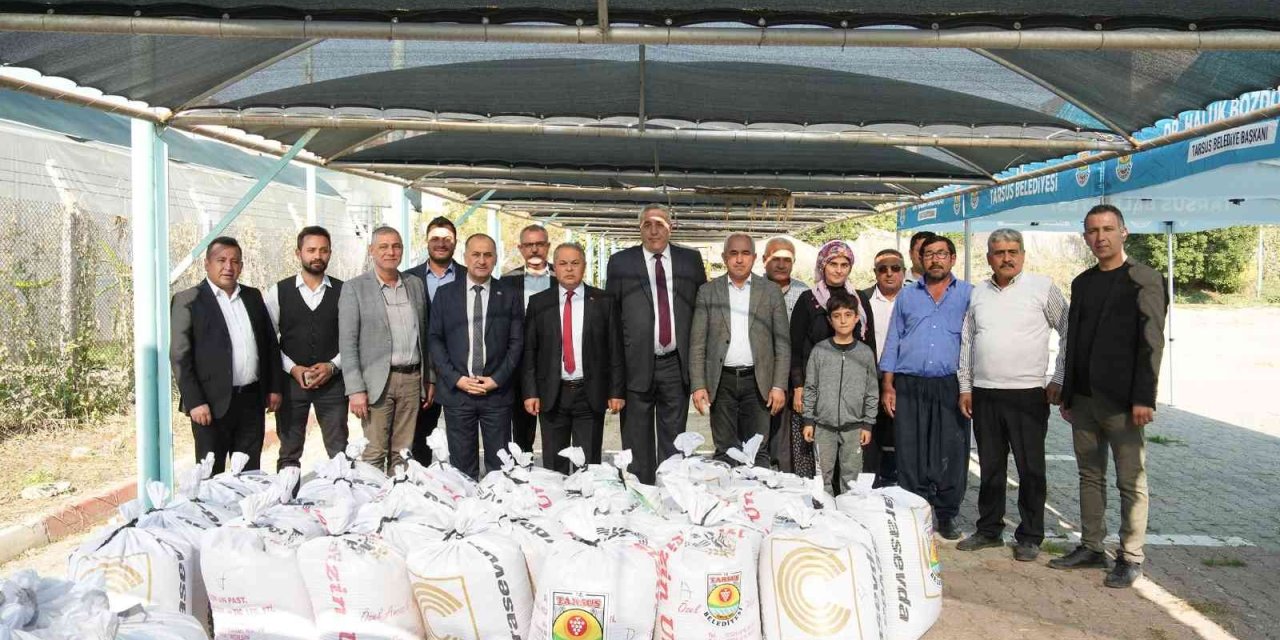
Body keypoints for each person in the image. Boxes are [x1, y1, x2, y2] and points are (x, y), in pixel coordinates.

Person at [1049, 205, 1167, 589]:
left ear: (1124, 233)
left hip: (1124, 402)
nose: (1100, 237)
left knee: (1130, 481)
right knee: (1089, 475)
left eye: (1107, 229)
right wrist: (1067, 392)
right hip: (1083, 400)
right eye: (1092, 231)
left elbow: (1151, 342)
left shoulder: (1144, 279)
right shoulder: (1082, 282)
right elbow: (1075, 340)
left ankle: (1131, 556)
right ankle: (1092, 546)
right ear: (1085, 237)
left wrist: (1143, 397)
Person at [955, 229, 1069, 562]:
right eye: (999, 252)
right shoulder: (978, 294)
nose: (1007, 257)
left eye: (1013, 251)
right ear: (988, 257)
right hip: (986, 394)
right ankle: (989, 529)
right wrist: (966, 387)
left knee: (1030, 468)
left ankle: (1031, 536)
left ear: (1023, 254)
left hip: (1028, 394)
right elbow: (967, 343)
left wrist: (1059, 377)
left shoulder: (1043, 288)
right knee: (990, 467)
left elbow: (1069, 330)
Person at [605, 204, 708, 484]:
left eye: (660, 224)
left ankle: (671, 489)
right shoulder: (620, 263)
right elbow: (611, 319)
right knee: (635, 438)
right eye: (647, 225)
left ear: (670, 227)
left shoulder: (690, 260)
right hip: (635, 365)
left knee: (674, 438)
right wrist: (614, 377)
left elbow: (702, 313)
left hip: (676, 364)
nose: (653, 231)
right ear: (639, 229)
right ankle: (642, 494)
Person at [881, 235, 973, 540]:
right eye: (929, 254)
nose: (935, 259)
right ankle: (915, 513)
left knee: (950, 451)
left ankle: (946, 515)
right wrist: (888, 385)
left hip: (951, 385)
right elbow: (894, 338)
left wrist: (968, 387)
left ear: (952, 259)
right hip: (909, 384)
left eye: (941, 254)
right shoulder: (907, 296)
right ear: (921, 259)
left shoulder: (969, 295)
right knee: (911, 452)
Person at [171, 236, 283, 474]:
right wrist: (195, 402)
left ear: (241, 265)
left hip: (251, 402)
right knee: (212, 475)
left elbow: (270, 345)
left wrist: (274, 387)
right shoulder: (188, 300)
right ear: (207, 264)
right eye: (221, 260)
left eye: (235, 261)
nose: (228, 267)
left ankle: (246, 512)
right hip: (210, 406)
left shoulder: (253, 297)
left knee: (249, 472)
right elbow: (180, 356)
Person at [428, 233, 524, 480]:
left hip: (497, 394)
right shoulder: (445, 294)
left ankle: (497, 514)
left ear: (495, 259)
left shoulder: (510, 294)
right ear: (465, 257)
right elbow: (435, 340)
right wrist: (456, 379)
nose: (482, 260)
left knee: (501, 467)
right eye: (476, 254)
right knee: (462, 468)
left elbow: (516, 343)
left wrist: (497, 380)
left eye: (488, 255)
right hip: (458, 392)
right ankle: (468, 513)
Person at [522, 243, 625, 473]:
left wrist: (616, 391)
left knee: (588, 465)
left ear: (584, 267)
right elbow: (530, 351)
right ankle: (558, 506)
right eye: (563, 263)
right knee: (553, 464)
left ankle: (586, 506)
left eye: (575, 263)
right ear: (554, 268)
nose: (569, 269)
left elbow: (615, 349)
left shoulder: (603, 301)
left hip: (589, 394)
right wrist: (530, 392)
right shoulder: (540, 303)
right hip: (552, 395)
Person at [689, 234, 790, 466]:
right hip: (721, 381)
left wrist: (778, 385)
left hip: (758, 382)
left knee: (758, 449)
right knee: (725, 450)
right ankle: (729, 500)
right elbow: (697, 343)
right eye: (733, 253)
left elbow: (782, 343)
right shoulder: (708, 291)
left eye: (745, 253)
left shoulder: (770, 291)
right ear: (725, 258)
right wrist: (698, 385)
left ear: (754, 258)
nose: (739, 259)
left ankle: (758, 500)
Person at [338, 226, 432, 473]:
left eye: (396, 246)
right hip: (376, 383)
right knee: (374, 451)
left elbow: (424, 334)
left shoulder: (415, 284)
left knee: (403, 452)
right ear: (372, 251)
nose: (391, 252)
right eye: (384, 246)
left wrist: (428, 378)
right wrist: (355, 389)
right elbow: (347, 344)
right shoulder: (354, 288)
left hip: (412, 380)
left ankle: (397, 505)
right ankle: (372, 508)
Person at [265, 226, 347, 470]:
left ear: (330, 253)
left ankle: (342, 502)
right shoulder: (279, 291)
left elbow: (352, 338)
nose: (317, 256)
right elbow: (269, 341)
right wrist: (292, 369)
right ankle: (286, 502)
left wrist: (333, 366)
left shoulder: (345, 291)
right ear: (298, 253)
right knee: (289, 452)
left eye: (323, 250)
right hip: (291, 386)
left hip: (333, 385)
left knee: (339, 451)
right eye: (311, 250)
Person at [789, 240, 868, 479]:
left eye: (845, 264)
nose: (839, 269)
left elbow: (868, 346)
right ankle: (816, 506)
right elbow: (796, 347)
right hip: (815, 388)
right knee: (812, 453)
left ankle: (846, 505)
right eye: (833, 263)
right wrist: (798, 387)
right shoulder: (808, 299)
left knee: (848, 456)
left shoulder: (859, 300)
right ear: (823, 265)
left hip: (850, 390)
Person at [802, 290, 879, 495]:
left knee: (851, 477)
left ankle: (849, 516)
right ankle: (825, 517)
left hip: (854, 428)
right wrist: (809, 420)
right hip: (823, 426)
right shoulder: (819, 351)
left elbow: (872, 391)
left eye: (848, 315)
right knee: (821, 477)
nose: (843, 321)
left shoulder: (865, 353)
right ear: (830, 320)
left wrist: (867, 424)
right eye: (837, 316)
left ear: (856, 318)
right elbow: (810, 387)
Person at [405, 216, 467, 464]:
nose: (441, 243)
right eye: (435, 238)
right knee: (420, 440)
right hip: (420, 374)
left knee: (461, 439)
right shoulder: (408, 279)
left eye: (447, 239)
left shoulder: (468, 276)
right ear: (426, 242)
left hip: (459, 372)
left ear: (455, 243)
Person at [502, 224, 557, 454]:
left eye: (539, 244)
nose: (534, 249)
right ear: (520, 248)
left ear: (548, 246)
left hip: (556, 362)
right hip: (520, 365)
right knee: (522, 431)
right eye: (529, 245)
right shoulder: (506, 281)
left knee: (555, 428)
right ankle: (524, 476)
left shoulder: (561, 275)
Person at [859, 248, 906, 484]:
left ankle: (898, 482)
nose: (889, 274)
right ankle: (872, 484)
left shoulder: (914, 298)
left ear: (904, 271)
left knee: (900, 436)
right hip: (870, 376)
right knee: (871, 434)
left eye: (895, 268)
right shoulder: (862, 299)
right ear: (875, 273)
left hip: (903, 378)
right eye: (882, 269)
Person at [763, 237, 809, 470]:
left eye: (787, 260)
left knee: (787, 430)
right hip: (759, 370)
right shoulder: (753, 289)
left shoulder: (804, 293)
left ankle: (785, 473)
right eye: (775, 259)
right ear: (763, 261)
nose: (781, 265)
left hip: (792, 372)